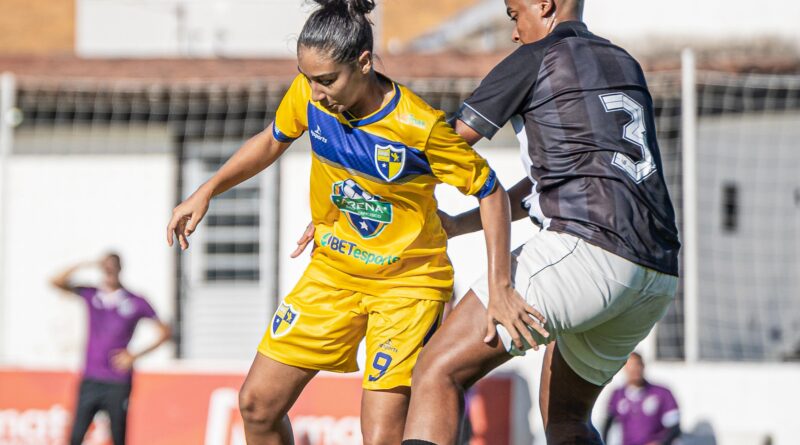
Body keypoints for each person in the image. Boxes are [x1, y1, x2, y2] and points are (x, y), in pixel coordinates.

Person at [165, 1, 530, 444]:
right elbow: (271, 141)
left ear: (362, 63)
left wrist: (500, 286)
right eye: (308, 79)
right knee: (257, 405)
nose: (316, 93)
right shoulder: (309, 94)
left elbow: (490, 191)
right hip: (333, 273)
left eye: (326, 81)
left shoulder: (420, 127)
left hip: (406, 287)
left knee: (381, 437)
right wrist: (206, 190)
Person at [397, 1, 682, 444]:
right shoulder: (624, 62)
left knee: (437, 371)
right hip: (656, 272)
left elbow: (444, 149)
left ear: (544, 4)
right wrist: (458, 224)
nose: (514, 32)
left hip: (591, 251)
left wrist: (354, 188)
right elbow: (557, 182)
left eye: (514, 14)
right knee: (568, 419)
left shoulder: (536, 58)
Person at [50, 253, 172, 445]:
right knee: (75, 437)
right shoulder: (91, 294)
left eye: (112, 266)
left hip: (117, 381)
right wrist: (85, 262)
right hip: (91, 378)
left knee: (118, 436)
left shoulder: (135, 301)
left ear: (120, 269)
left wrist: (135, 355)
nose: (109, 270)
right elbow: (55, 281)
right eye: (105, 266)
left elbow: (165, 332)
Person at [603, 352, 681, 445]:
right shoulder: (617, 394)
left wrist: (661, 442)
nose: (635, 369)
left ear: (643, 366)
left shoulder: (662, 393)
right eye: (630, 366)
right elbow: (607, 425)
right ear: (624, 369)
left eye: (637, 365)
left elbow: (675, 428)